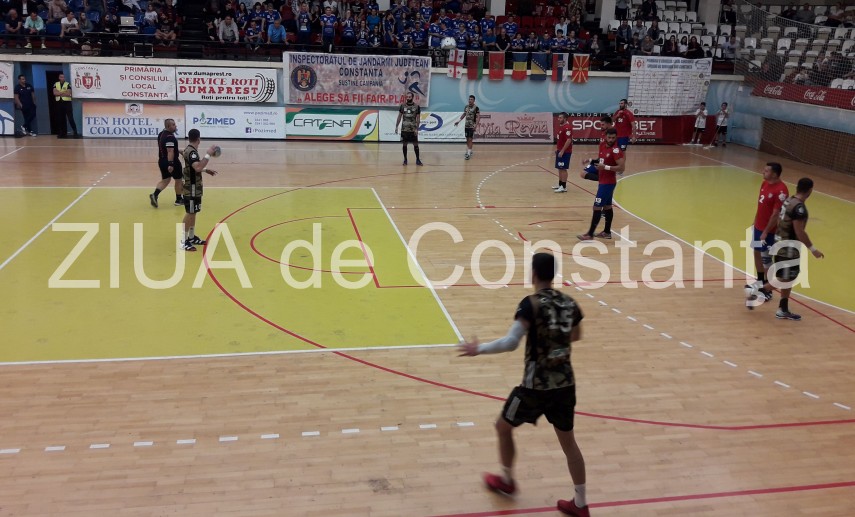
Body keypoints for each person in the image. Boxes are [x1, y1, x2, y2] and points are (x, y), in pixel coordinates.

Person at [457, 252, 590, 517]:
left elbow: (510, 343)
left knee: (502, 427)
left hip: (534, 387)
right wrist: (554, 340)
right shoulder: (569, 303)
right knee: (569, 444)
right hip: (565, 385)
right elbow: (575, 335)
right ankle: (580, 502)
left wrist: (478, 349)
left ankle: (507, 480)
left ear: (534, 273)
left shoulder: (530, 304)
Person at [747, 177, 824, 320]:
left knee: (789, 277)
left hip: (780, 244)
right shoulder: (799, 208)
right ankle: (761, 291)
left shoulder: (788, 201)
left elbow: (778, 220)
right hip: (788, 248)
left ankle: (783, 308)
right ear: (810, 190)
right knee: (785, 278)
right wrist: (813, 249)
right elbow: (800, 231)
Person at [745, 162, 789, 307]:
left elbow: (776, 214)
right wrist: (755, 221)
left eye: (767, 171)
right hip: (759, 227)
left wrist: (765, 231)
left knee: (766, 259)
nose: (763, 172)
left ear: (775, 174)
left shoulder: (781, 191)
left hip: (769, 232)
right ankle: (760, 282)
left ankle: (768, 291)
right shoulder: (764, 184)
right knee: (756, 253)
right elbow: (761, 205)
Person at [577, 128, 624, 241]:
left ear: (616, 138)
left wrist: (606, 167)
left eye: (613, 138)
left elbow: (621, 168)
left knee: (596, 207)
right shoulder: (602, 145)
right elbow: (601, 160)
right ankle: (607, 232)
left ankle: (590, 234)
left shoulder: (616, 150)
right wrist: (590, 160)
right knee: (607, 206)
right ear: (605, 137)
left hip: (608, 183)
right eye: (609, 137)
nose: (611, 140)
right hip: (603, 181)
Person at [180, 129, 219, 252]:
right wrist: (208, 154)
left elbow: (193, 167)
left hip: (195, 187)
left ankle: (191, 237)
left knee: (194, 211)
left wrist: (206, 170)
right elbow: (197, 167)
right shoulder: (191, 152)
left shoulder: (190, 150)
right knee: (190, 212)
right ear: (199, 139)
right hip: (191, 187)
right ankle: (183, 241)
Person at [150, 119, 184, 208]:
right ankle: (179, 199)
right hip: (172, 161)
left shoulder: (161, 134)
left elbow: (167, 148)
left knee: (166, 180)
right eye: (173, 124)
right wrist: (171, 164)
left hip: (161, 161)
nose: (175, 126)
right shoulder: (170, 137)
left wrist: (178, 151)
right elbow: (170, 151)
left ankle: (155, 194)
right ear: (168, 126)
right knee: (179, 180)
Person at [394, 92, 423, 166]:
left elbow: (418, 119)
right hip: (404, 129)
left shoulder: (417, 107)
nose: (408, 98)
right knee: (404, 144)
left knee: (415, 144)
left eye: (409, 97)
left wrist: (417, 129)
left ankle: (418, 160)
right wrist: (396, 126)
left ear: (412, 97)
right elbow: (399, 116)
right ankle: (405, 160)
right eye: (407, 97)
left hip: (413, 129)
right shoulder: (402, 106)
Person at [52, 73, 80, 139]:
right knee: (61, 119)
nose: (62, 78)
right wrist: (64, 91)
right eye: (61, 77)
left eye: (63, 77)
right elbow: (55, 93)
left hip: (67, 103)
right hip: (59, 103)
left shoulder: (67, 84)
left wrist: (59, 92)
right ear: (59, 78)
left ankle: (75, 132)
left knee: (70, 118)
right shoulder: (56, 84)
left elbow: (68, 94)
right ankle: (62, 133)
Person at [454, 94, 480, 160]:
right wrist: (458, 121)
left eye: (471, 99)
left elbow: (478, 117)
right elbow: (464, 114)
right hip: (466, 126)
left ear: (474, 100)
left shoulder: (476, 108)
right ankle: (469, 150)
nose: (470, 100)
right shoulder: (466, 107)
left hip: (472, 126)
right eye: (469, 99)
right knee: (467, 139)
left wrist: (475, 126)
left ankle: (468, 153)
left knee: (470, 139)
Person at [552, 112, 572, 193]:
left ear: (565, 118)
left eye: (560, 118)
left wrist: (562, 150)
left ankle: (564, 187)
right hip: (560, 151)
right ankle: (560, 184)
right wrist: (558, 149)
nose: (558, 119)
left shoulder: (567, 128)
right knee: (559, 168)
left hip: (565, 152)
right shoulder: (561, 127)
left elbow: (569, 140)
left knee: (563, 169)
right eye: (558, 117)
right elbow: (560, 140)